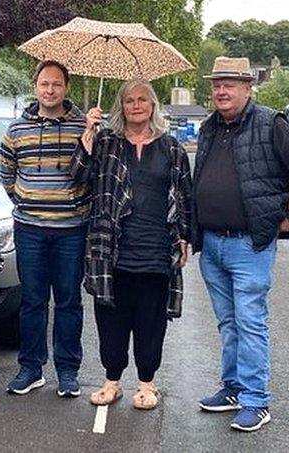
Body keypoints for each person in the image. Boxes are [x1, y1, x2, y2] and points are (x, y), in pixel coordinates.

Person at [193, 56, 289, 432]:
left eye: (230, 83)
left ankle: (256, 400)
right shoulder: (210, 127)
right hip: (212, 244)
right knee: (228, 323)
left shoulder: (270, 123)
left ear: (248, 88)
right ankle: (232, 388)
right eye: (217, 83)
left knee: (250, 322)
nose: (221, 90)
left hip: (250, 245)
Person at [70, 79, 192, 410]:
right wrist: (86, 137)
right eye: (128, 101)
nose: (135, 105)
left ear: (153, 105)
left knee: (150, 321)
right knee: (111, 319)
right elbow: (77, 178)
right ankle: (112, 382)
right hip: (111, 249)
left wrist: (185, 237)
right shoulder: (106, 141)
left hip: (156, 249)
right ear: (120, 107)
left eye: (142, 100)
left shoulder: (172, 148)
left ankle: (147, 384)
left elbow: (184, 196)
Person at [0, 60, 89, 398]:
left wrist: (92, 135)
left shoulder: (85, 125)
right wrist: (25, 199)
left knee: (68, 301)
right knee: (33, 301)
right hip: (30, 229)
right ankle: (31, 368)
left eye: (56, 84)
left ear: (66, 88)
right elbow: (7, 174)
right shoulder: (16, 129)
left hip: (71, 229)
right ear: (36, 87)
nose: (50, 90)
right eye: (44, 84)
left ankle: (67, 371)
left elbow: (93, 175)